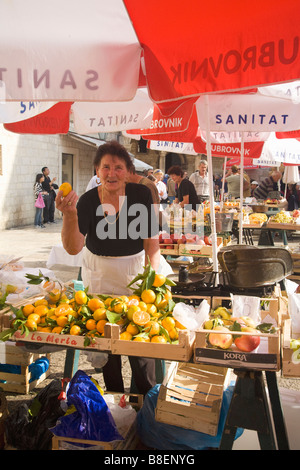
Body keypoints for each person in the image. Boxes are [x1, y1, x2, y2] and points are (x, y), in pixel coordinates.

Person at [56, 141, 160, 396]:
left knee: (140, 340)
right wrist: (69, 215)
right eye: (106, 167)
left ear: (128, 171)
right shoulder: (88, 201)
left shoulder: (141, 195)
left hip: (134, 274)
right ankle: (115, 402)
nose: (111, 173)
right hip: (99, 275)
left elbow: (151, 244)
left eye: (118, 167)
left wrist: (152, 280)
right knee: (106, 344)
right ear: (97, 170)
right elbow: (73, 248)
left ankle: (146, 400)